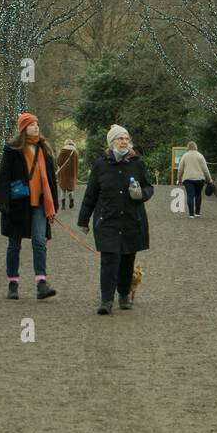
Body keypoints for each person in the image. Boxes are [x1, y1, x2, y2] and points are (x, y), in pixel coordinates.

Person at [78, 124, 153, 315]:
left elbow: (149, 188)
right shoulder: (100, 165)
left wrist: (141, 194)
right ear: (112, 143)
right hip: (107, 220)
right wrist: (83, 219)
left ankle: (124, 295)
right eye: (120, 139)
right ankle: (106, 300)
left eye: (127, 139)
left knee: (127, 259)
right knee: (109, 259)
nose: (124, 142)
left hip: (131, 220)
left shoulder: (137, 163)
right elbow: (91, 194)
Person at [0, 112, 58, 301]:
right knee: (14, 244)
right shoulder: (12, 150)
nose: (36, 127)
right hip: (17, 204)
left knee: (39, 241)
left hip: (39, 203)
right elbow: (4, 177)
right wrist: (3, 202)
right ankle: (13, 283)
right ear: (23, 129)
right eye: (32, 125)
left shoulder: (44, 149)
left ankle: (41, 283)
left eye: (37, 124)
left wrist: (53, 204)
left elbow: (51, 180)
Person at [177, 140, 213, 217]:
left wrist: (179, 179)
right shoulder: (200, 156)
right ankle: (197, 212)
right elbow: (205, 169)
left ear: (188, 147)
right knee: (198, 195)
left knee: (190, 195)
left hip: (188, 179)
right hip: (200, 179)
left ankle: (191, 214)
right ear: (196, 147)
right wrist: (209, 179)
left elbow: (180, 169)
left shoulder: (185, 156)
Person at [56, 138, 79, 208]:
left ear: (65, 143)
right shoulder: (75, 152)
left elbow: (58, 162)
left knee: (63, 189)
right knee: (70, 188)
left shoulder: (63, 151)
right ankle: (71, 197)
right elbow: (77, 164)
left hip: (63, 173)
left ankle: (63, 205)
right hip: (72, 173)